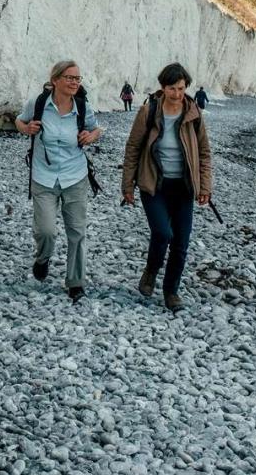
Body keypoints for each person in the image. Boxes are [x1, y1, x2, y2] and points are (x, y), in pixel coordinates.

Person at [121, 62, 213, 312]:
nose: (177, 94)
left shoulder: (194, 113)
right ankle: (151, 271)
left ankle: (171, 291)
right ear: (163, 88)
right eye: (172, 88)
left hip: (184, 186)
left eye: (181, 88)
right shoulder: (149, 111)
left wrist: (205, 186)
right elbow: (133, 148)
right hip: (154, 184)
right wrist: (127, 185)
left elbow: (204, 152)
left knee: (181, 243)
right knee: (163, 233)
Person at [16, 60, 103, 303]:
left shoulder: (83, 107)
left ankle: (75, 282)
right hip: (43, 176)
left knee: (77, 231)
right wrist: (27, 129)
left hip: (75, 176)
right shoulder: (39, 103)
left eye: (77, 78)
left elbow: (96, 130)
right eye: (70, 77)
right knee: (46, 231)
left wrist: (89, 136)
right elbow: (19, 121)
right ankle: (43, 258)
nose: (75, 82)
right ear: (55, 80)